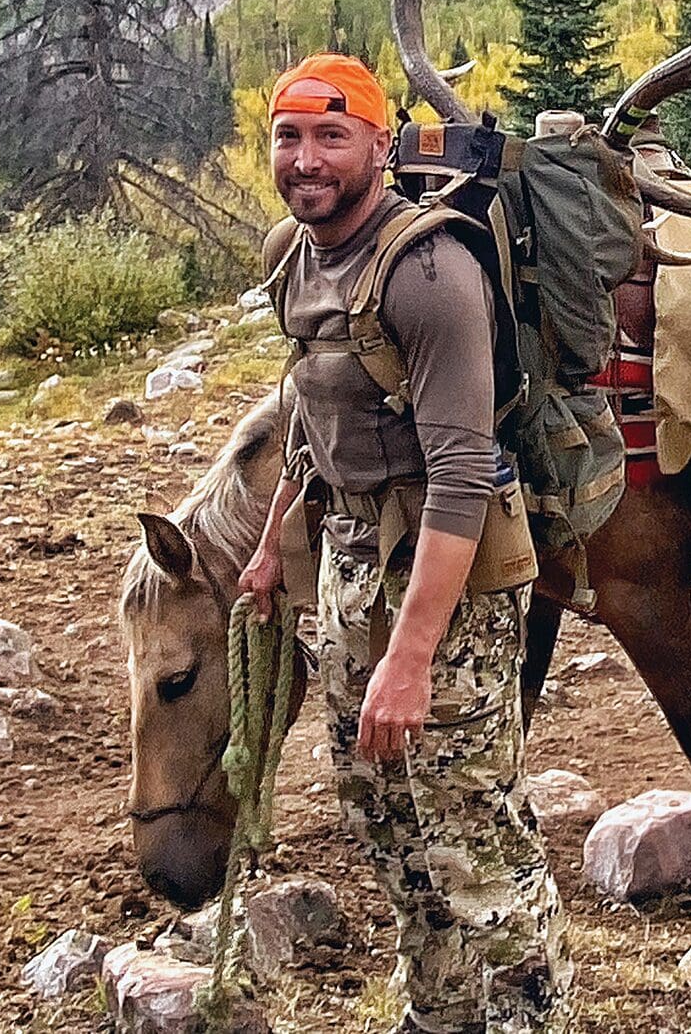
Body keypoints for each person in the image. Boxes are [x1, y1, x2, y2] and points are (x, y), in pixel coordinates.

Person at [238, 53, 569, 1033]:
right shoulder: (292, 256)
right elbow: (312, 410)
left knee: (475, 842)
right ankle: (436, 1015)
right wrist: (269, 546)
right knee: (389, 828)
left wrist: (412, 657)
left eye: (330, 136)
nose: (306, 159)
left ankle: (523, 1018)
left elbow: (463, 474)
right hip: (349, 569)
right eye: (288, 136)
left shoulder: (428, 271)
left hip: (448, 582)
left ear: (378, 148)